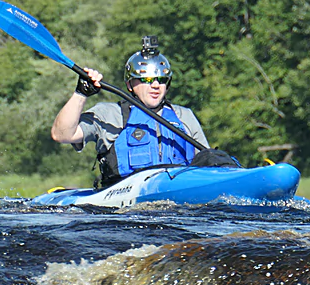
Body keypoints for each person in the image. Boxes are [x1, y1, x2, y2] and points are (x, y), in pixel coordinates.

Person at [51, 36, 212, 188]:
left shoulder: (184, 116)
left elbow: (207, 163)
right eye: (147, 80)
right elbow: (61, 134)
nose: (155, 85)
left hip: (175, 197)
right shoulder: (110, 114)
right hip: (124, 205)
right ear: (130, 84)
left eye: (161, 80)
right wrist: (81, 94)